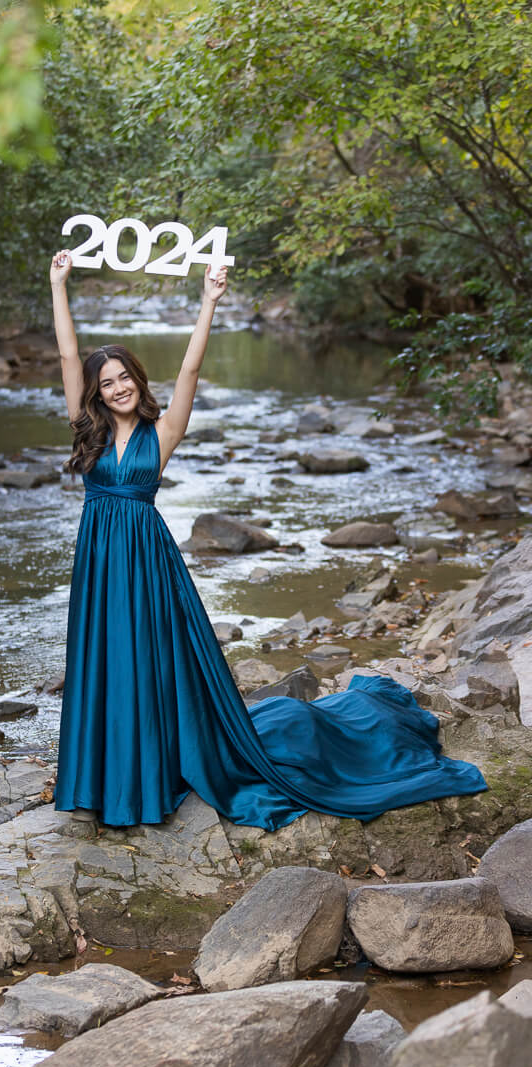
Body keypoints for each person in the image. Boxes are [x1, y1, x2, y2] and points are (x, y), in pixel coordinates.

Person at [49, 248, 487, 830]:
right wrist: (59, 286)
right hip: (100, 560)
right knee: (108, 660)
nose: (117, 387)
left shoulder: (164, 431)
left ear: (136, 380)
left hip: (149, 562)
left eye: (124, 376)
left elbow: (190, 372)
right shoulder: (87, 433)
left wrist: (209, 301)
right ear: (96, 392)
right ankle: (107, 778)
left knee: (152, 663)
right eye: (106, 383)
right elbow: (66, 354)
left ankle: (149, 776)